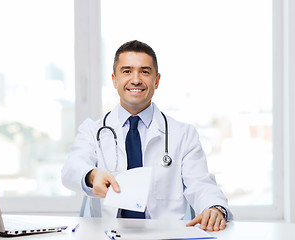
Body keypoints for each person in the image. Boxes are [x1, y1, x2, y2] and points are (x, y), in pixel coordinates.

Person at [62, 40, 233, 231]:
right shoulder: (92, 130)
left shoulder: (183, 134)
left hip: (165, 235)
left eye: (144, 71)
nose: (136, 79)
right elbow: (71, 169)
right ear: (114, 80)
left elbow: (201, 184)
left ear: (157, 80)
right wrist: (92, 175)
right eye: (127, 71)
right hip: (109, 234)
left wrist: (215, 208)